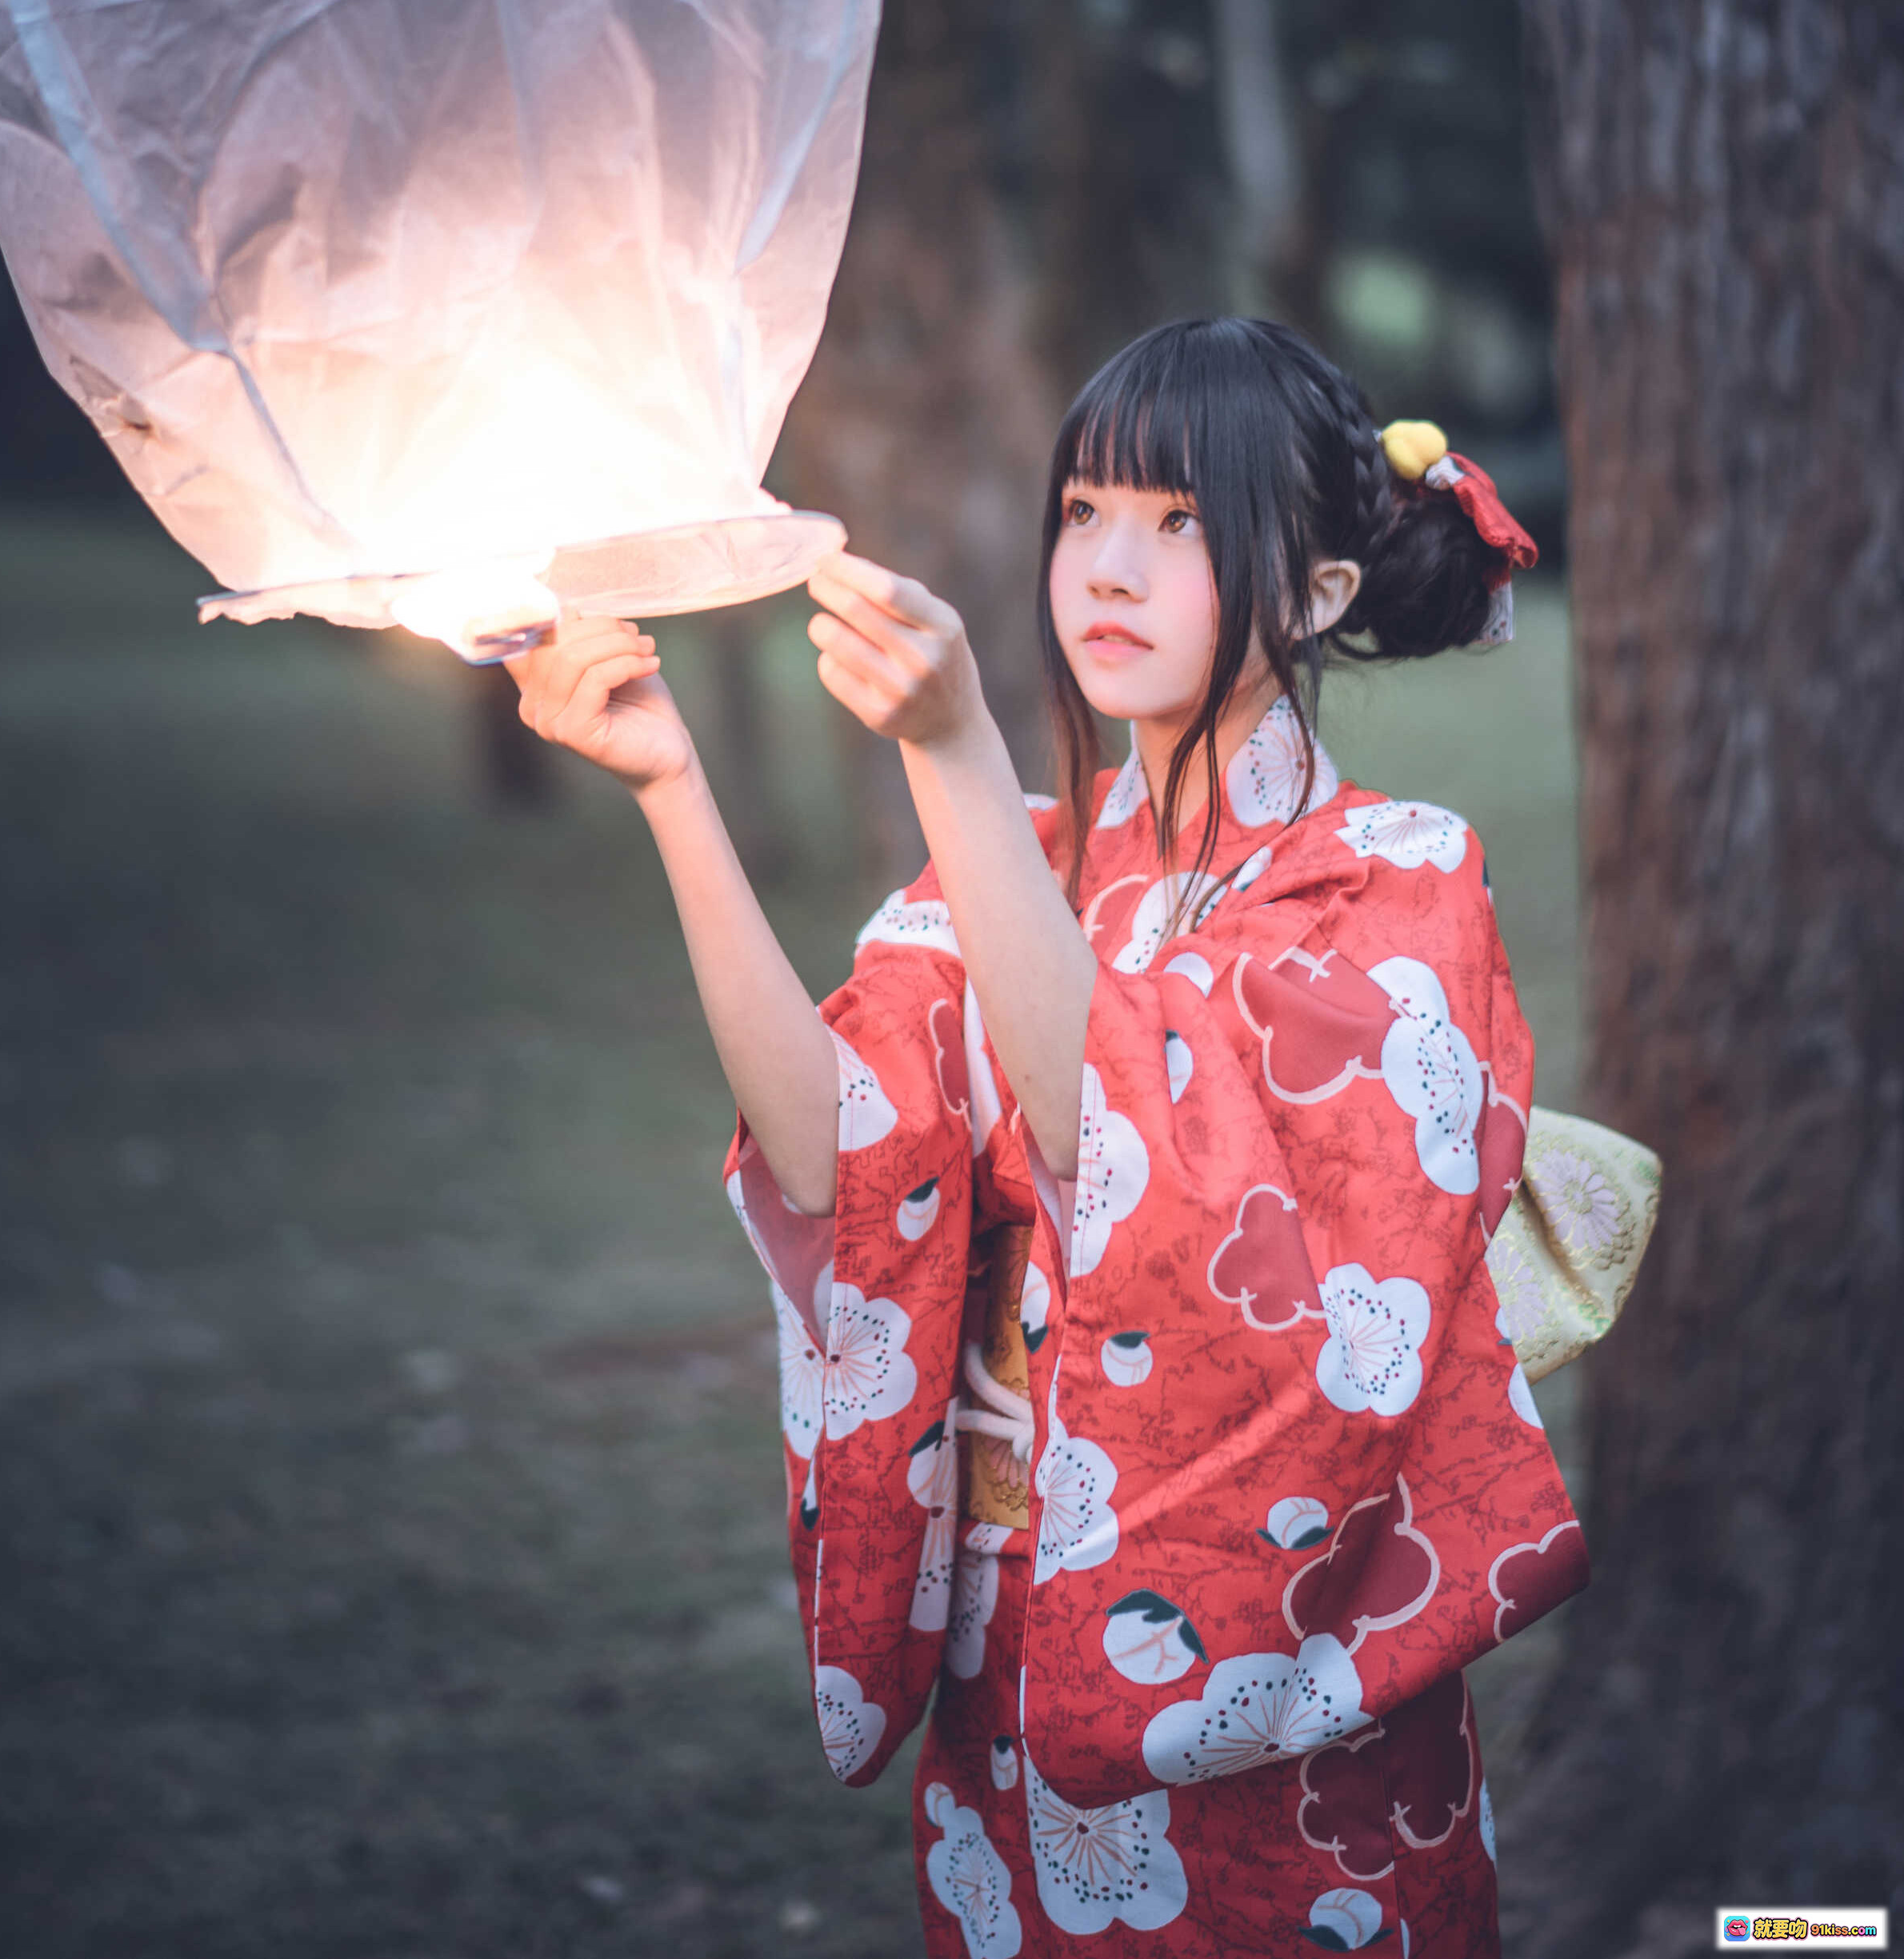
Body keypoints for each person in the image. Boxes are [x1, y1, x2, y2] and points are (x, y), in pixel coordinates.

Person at [509, 316, 1586, 1956]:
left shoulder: (1393, 882)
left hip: (1274, 1656)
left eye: (1179, 520)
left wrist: (948, 749)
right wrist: (670, 785)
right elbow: (835, 1156)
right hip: (1021, 1648)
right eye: (1082, 509)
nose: (1107, 565)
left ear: (1317, 595)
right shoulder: (1028, 858)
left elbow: (1128, 1152)